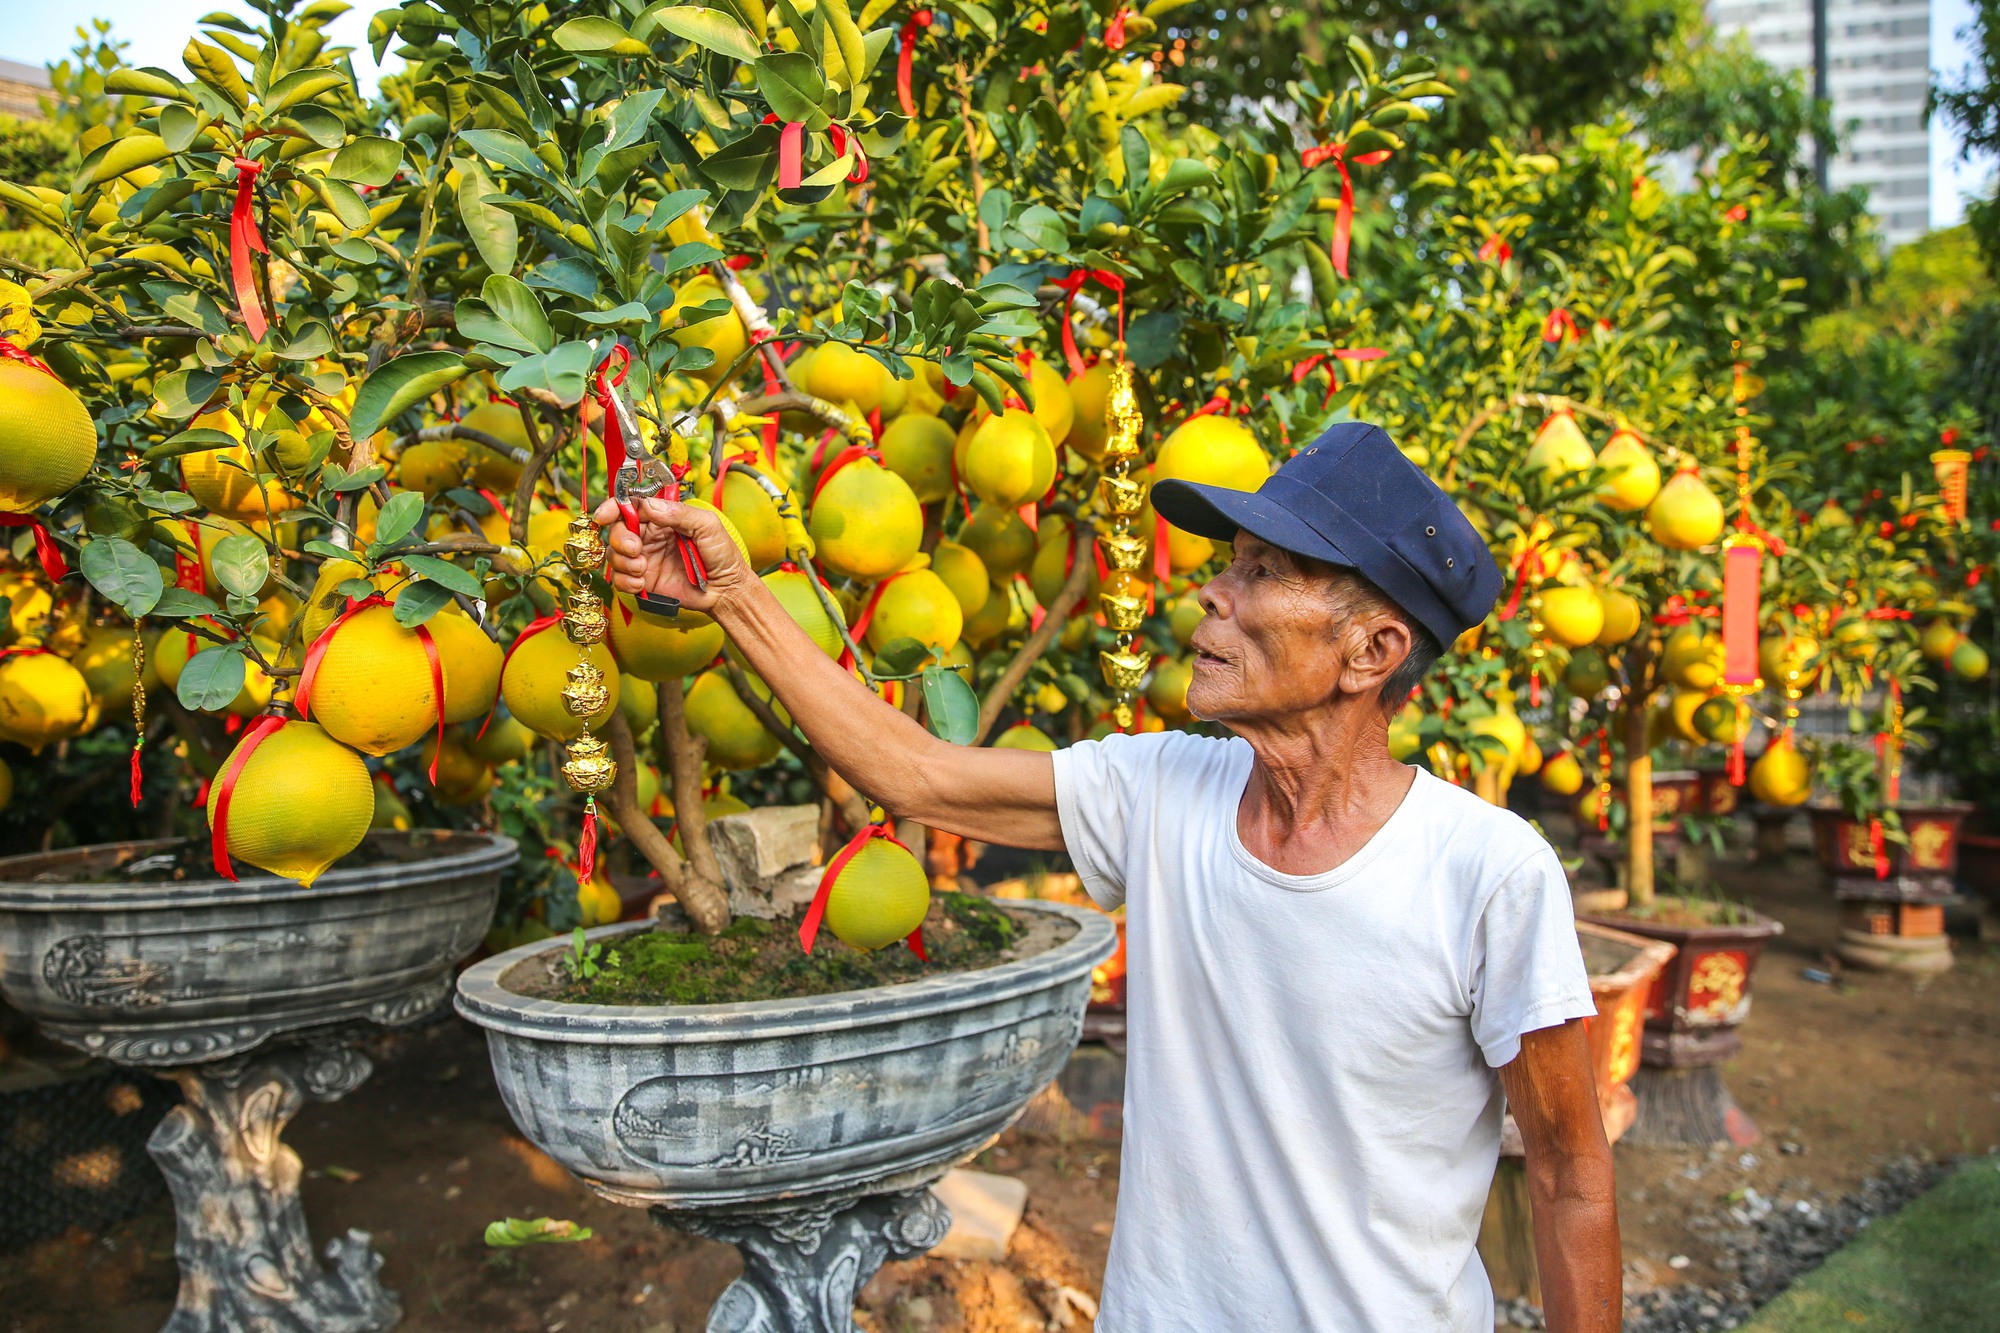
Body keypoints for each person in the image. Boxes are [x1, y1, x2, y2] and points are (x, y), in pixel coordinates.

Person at [598, 420, 1621, 1333]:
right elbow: (909, 771)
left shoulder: (1483, 873)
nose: (1210, 592)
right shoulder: (1162, 788)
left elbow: (1571, 1172)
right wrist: (732, 593)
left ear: (1372, 651)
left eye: (1261, 571)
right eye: (1227, 563)